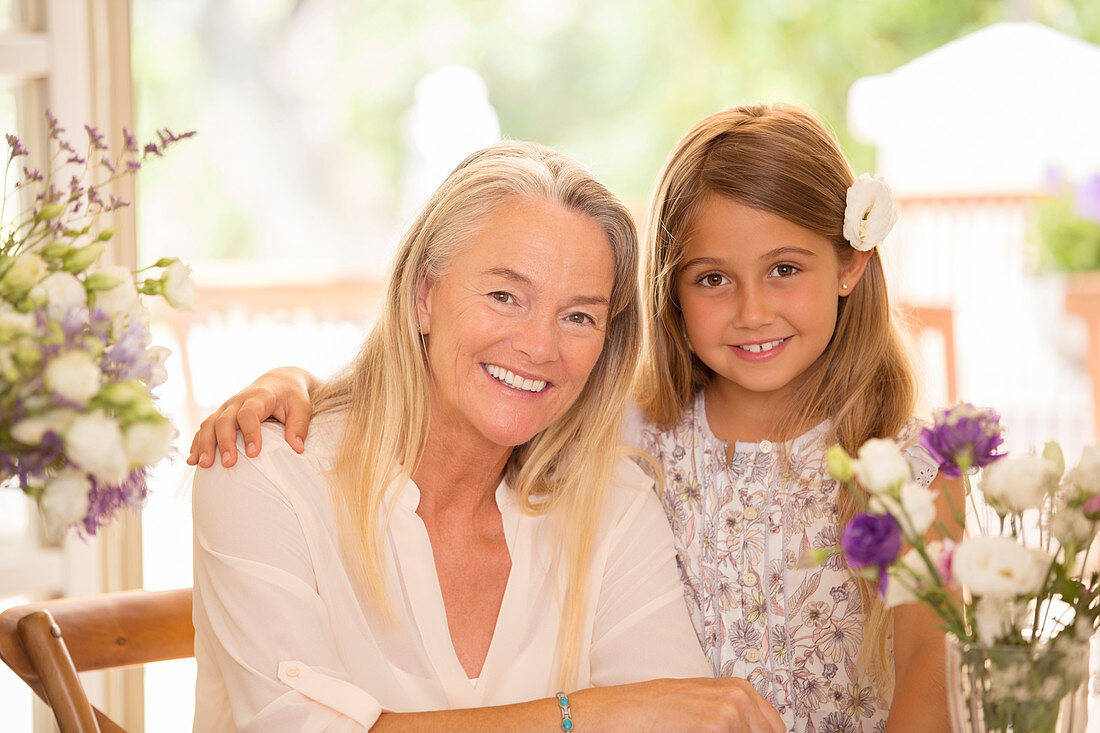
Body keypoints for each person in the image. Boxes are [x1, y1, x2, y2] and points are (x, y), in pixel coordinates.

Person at [192, 105, 957, 732]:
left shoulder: (610, 489)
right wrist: (589, 714)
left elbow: (928, 672)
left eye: (580, 315)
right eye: (504, 294)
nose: (538, 346)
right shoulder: (267, 470)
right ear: (423, 293)